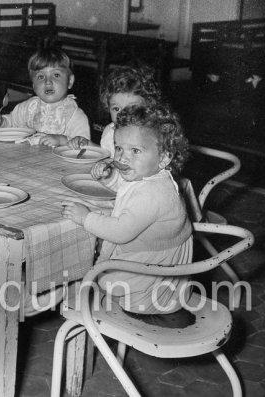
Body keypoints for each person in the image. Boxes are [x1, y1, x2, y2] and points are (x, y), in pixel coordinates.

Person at [61, 103, 193, 319]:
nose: (122, 157)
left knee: (86, 276)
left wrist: (86, 217)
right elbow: (127, 192)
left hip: (150, 281)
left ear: (164, 157)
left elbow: (120, 231)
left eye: (135, 150)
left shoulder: (153, 194)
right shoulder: (153, 176)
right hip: (157, 265)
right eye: (119, 148)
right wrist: (110, 177)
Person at [0, 47, 90, 148]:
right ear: (33, 85)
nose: (48, 81)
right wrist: (0, 122)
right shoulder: (29, 107)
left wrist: (61, 140)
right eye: (41, 77)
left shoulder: (74, 115)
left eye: (56, 75)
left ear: (70, 81)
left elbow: (84, 145)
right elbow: (11, 123)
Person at [97, 66, 162, 157]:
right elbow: (106, 156)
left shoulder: (150, 136)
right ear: (108, 107)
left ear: (148, 107)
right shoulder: (109, 132)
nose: (122, 115)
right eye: (116, 109)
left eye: (131, 108)